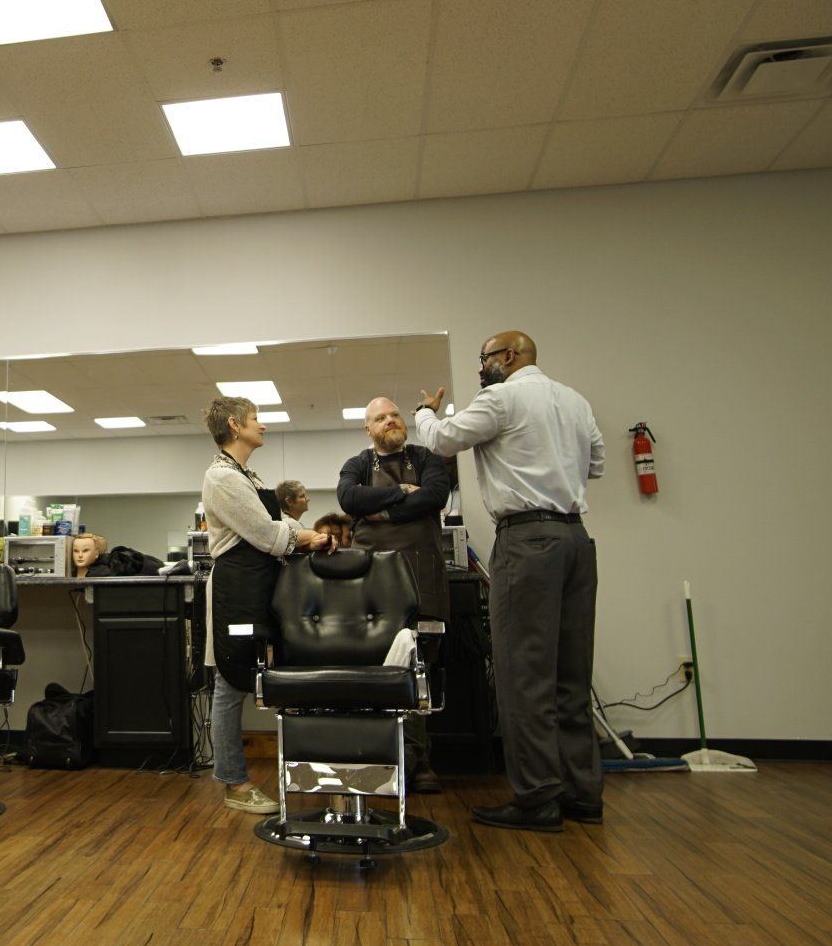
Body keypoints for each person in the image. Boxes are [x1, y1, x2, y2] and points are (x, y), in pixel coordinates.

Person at [414, 331, 605, 832]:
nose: (480, 369)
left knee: (524, 676)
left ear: (510, 356)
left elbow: (441, 440)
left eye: (484, 359)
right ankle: (583, 795)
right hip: (576, 540)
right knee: (570, 673)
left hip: (528, 542)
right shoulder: (575, 401)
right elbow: (597, 464)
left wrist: (426, 412)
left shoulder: (501, 398)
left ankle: (538, 798)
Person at [200, 395, 331, 813]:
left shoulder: (247, 476)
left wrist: (308, 534)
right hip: (235, 590)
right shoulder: (221, 478)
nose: (263, 424)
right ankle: (235, 784)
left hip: (260, 585)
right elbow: (264, 533)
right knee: (230, 681)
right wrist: (307, 537)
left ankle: (306, 769)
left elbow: (280, 523)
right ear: (235, 426)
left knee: (271, 673)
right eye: (256, 418)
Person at [338, 397, 452, 793]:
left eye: (394, 415)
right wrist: (403, 492)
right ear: (368, 429)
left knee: (419, 668)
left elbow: (435, 495)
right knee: (375, 669)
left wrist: (381, 510)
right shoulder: (357, 465)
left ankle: (418, 761)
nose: (390, 420)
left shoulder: (425, 458)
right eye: (380, 417)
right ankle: (376, 757)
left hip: (422, 577)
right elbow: (349, 499)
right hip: (373, 583)